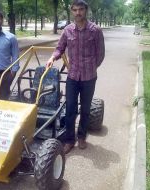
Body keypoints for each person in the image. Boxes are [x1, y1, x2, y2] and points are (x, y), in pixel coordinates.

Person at [47, 0, 105, 154]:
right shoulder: (67, 30)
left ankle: (82, 136)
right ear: (72, 11)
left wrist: (91, 67)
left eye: (81, 9)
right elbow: (60, 48)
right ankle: (69, 140)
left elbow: (100, 54)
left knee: (85, 109)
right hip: (72, 77)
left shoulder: (95, 30)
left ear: (86, 10)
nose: (78, 13)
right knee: (70, 108)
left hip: (89, 77)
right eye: (75, 10)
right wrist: (53, 57)